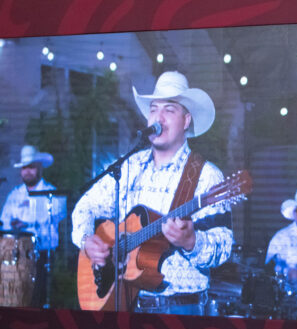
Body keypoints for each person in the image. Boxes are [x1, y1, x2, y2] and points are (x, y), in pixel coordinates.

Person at [71, 71, 233, 315]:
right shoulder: (129, 168)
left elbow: (224, 245)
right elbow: (85, 206)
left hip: (183, 309)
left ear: (186, 120)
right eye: (154, 109)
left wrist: (192, 243)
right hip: (128, 303)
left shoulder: (206, 176)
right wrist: (86, 241)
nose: (159, 117)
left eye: (169, 110)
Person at [1, 145, 67, 306]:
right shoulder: (15, 195)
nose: (27, 171)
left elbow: (56, 215)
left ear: (39, 168)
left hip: (41, 254)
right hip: (15, 256)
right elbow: (4, 221)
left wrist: (27, 222)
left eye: (31, 167)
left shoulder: (52, 194)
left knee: (37, 299)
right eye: (24, 168)